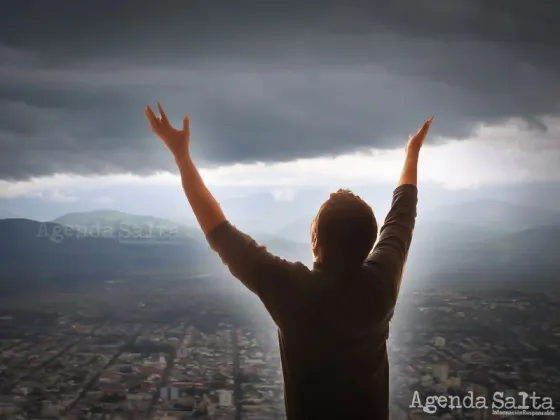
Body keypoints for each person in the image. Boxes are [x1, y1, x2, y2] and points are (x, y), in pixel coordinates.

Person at [145, 102, 433, 420]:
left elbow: (217, 229)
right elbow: (402, 214)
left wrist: (181, 155)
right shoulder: (381, 285)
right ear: (369, 243)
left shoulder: (294, 292)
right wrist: (413, 151)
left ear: (315, 241)